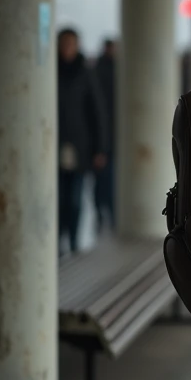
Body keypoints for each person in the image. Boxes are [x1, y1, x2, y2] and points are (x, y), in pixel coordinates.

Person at [57, 29, 108, 254]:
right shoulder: (50, 71)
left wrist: (100, 148)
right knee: (58, 198)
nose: (67, 48)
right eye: (64, 44)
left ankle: (74, 241)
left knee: (76, 199)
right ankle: (58, 240)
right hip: (55, 145)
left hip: (80, 146)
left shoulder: (86, 73)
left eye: (71, 44)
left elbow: (97, 112)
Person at [93, 38, 117, 234]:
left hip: (108, 133)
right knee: (105, 176)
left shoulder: (97, 70)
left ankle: (104, 210)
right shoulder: (104, 72)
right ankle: (106, 209)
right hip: (106, 133)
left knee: (105, 177)